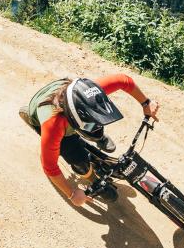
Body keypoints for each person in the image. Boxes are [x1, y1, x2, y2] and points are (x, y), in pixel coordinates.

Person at [21, 75, 160, 208]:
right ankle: (91, 175)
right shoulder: (53, 125)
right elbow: (50, 167)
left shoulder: (89, 93)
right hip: (45, 114)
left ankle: (99, 138)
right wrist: (71, 194)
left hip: (67, 99)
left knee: (93, 124)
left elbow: (124, 80)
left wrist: (146, 103)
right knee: (78, 158)